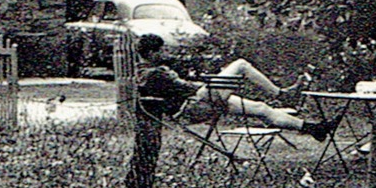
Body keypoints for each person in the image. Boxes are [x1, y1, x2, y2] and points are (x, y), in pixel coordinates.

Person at [135, 32, 340, 140]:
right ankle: (282, 95)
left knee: (261, 109)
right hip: (194, 104)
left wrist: (211, 81)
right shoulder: (154, 73)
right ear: (152, 53)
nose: (165, 54)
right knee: (241, 64)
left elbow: (182, 86)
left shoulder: (149, 71)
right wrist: (210, 81)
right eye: (162, 51)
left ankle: (314, 129)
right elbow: (186, 88)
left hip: (197, 101)